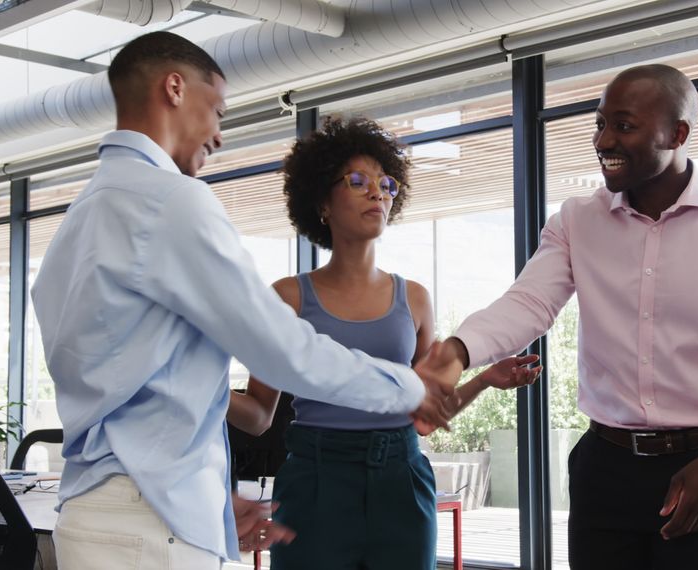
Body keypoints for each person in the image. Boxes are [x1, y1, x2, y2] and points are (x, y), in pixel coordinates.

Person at [30, 32, 459, 569]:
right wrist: (406, 386)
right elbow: (283, 350)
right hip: (147, 528)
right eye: (218, 110)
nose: (218, 135)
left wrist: (202, 498)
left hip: (105, 510)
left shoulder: (80, 217)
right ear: (175, 88)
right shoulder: (172, 200)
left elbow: (134, 380)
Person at [433, 63, 698, 569]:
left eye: (623, 125)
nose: (603, 139)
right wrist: (457, 351)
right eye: (600, 123)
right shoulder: (576, 221)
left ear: (677, 133)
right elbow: (529, 303)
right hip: (605, 466)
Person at [226, 116, 541, 570]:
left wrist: (485, 380)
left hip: (400, 477)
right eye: (357, 181)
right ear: (322, 202)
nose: (378, 192)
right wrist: (204, 387)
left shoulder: (414, 298)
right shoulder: (287, 297)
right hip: (315, 480)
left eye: (387, 183)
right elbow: (257, 416)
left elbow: (425, 418)